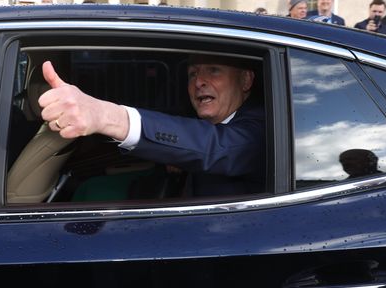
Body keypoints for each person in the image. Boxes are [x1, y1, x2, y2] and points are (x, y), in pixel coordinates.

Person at [38, 55, 264, 197]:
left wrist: (104, 115)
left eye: (213, 70)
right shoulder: (210, 121)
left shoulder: (260, 128)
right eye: (192, 73)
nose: (198, 82)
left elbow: (217, 148)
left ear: (245, 80)